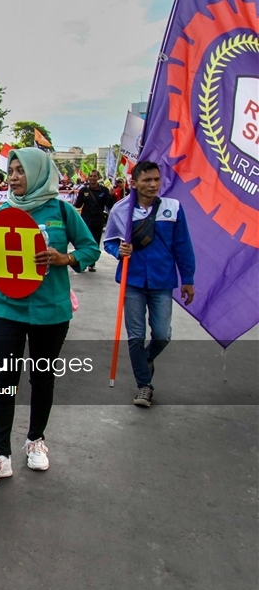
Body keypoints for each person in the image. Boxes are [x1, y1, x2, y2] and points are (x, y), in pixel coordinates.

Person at [0, 148, 100, 482]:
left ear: (39, 173)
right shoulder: (0, 211)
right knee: (4, 380)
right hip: (6, 308)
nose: (13, 177)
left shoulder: (62, 210)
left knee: (42, 377)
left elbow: (90, 248)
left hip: (51, 309)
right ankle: (0, 453)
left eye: (21, 171)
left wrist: (65, 258)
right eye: (11, 171)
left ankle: (36, 440)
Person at [103, 161, 194, 408]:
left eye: (156, 179)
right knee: (135, 336)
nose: (153, 185)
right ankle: (144, 385)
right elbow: (109, 242)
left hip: (162, 281)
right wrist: (119, 251)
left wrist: (188, 279)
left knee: (162, 334)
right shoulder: (121, 210)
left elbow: (183, 246)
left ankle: (146, 358)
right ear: (134, 183)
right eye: (147, 180)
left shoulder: (173, 208)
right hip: (132, 281)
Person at [74, 170, 113, 271]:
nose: (92, 178)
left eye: (94, 176)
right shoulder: (83, 190)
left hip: (98, 220)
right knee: (83, 241)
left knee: (94, 242)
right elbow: (78, 205)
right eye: (91, 176)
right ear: (88, 178)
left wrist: (111, 195)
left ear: (98, 178)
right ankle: (82, 262)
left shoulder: (104, 190)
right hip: (85, 220)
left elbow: (109, 204)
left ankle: (91, 263)